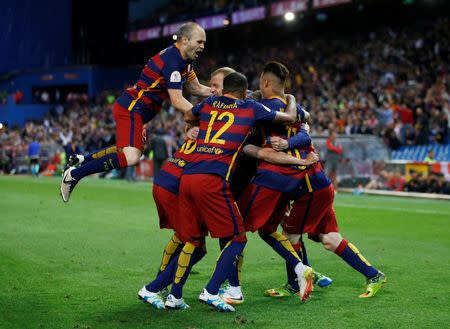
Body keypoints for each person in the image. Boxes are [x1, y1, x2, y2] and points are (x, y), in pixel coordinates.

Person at [138, 68, 314, 311]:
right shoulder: (251, 108)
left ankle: (164, 293)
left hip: (187, 178)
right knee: (237, 238)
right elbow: (289, 118)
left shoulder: (209, 104)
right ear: (243, 92)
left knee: (192, 241)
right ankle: (214, 290)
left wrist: (191, 128)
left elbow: (189, 113)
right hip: (213, 181)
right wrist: (291, 98)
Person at [60, 22, 211, 202]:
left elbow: (195, 88)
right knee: (131, 156)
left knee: (126, 149)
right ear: (185, 40)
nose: (203, 46)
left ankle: (82, 160)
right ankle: (75, 175)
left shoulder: (185, 61)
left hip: (138, 110)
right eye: (200, 42)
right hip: (132, 109)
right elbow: (177, 100)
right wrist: (208, 114)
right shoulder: (173, 61)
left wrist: (221, 93)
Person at [229, 62, 326, 302]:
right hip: (296, 175)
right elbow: (306, 119)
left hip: (272, 175)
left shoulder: (257, 107)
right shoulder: (293, 107)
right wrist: (291, 98)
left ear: (265, 83)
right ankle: (300, 273)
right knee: (269, 229)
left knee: (234, 226)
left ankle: (229, 288)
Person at [266, 135, 387, 299]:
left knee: (289, 237)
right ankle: (374, 275)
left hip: (310, 190)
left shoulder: (287, 130)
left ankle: (294, 285)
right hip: (319, 186)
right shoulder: (296, 129)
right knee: (331, 239)